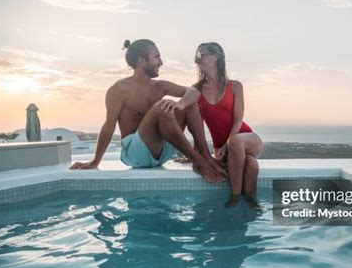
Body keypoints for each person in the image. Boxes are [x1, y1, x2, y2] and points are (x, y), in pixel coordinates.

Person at [70, 39, 225, 183]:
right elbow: (109, 125)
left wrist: (181, 104)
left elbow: (194, 92)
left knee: (190, 103)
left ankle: (204, 156)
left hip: (161, 152)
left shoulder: (159, 86)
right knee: (161, 107)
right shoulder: (120, 89)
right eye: (156, 57)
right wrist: (95, 161)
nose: (161, 62)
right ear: (142, 61)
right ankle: (200, 163)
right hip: (136, 154)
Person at [190, 42, 264, 207]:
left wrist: (228, 143)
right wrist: (196, 153)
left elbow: (238, 119)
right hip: (223, 148)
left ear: (216, 57)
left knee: (236, 141)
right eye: (197, 56)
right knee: (252, 165)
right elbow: (197, 126)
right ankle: (251, 202)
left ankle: (235, 196)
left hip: (247, 139)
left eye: (202, 55)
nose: (198, 59)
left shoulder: (235, 86)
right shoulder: (196, 90)